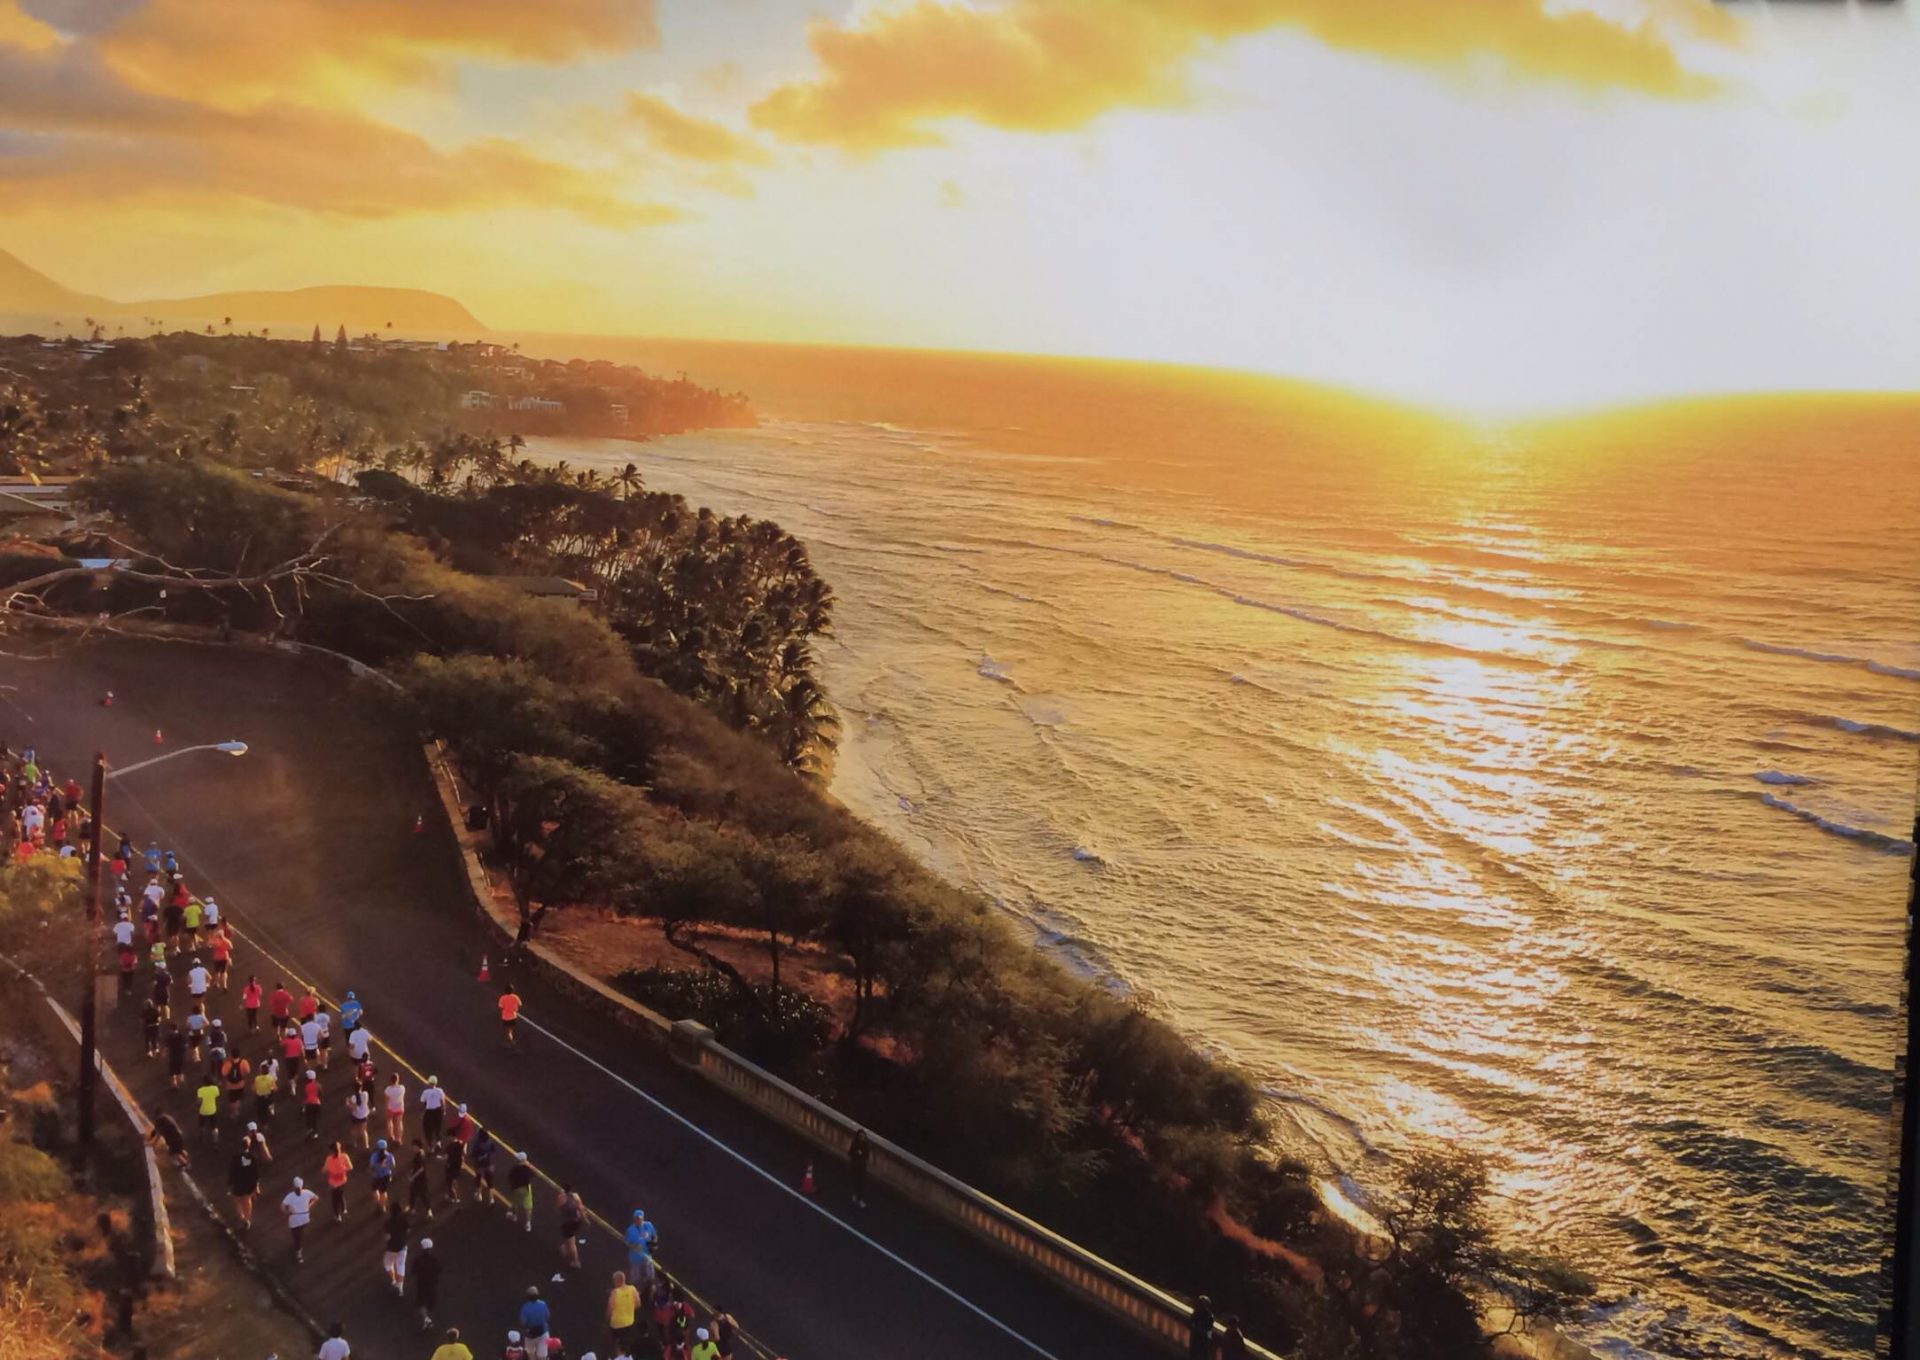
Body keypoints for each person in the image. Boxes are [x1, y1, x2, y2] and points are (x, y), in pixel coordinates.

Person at [228, 1133, 263, 1228]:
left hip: (238, 1183)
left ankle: (241, 1217)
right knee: (247, 1201)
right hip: (248, 1184)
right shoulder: (252, 1158)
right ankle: (247, 1219)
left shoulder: (236, 1157)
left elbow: (232, 1171)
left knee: (237, 1201)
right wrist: (256, 1186)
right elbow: (256, 1174)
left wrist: (230, 1183)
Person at [281, 1177, 319, 1263]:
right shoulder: (307, 1192)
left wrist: (287, 1212)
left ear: (293, 1186)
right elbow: (316, 1198)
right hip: (305, 1218)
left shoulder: (290, 1196)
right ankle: (298, 1249)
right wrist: (309, 1206)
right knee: (300, 1233)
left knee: (297, 1237)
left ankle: (298, 1254)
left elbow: (282, 1206)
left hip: (294, 1220)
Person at [605, 1272, 640, 1353]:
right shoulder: (632, 1289)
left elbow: (610, 1308)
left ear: (618, 1281)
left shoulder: (615, 1293)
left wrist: (607, 1319)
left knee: (617, 1341)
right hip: (629, 1321)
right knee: (626, 1339)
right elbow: (638, 1304)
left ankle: (619, 1354)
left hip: (616, 1324)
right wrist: (629, 1308)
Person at [414, 1236, 442, 1331]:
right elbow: (439, 1270)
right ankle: (429, 1318)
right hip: (433, 1284)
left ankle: (426, 1319)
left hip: (422, 1285)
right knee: (431, 1303)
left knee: (420, 1303)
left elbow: (414, 1271)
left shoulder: (418, 1260)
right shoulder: (435, 1259)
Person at [382, 1200, 410, 1294]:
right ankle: (400, 1287)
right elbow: (408, 1230)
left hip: (392, 1248)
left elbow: (387, 1237)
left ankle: (394, 1280)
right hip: (402, 1246)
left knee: (388, 1265)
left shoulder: (388, 1222)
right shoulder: (404, 1219)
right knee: (401, 1266)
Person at [623, 1211, 657, 1287]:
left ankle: (649, 1292)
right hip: (636, 1258)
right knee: (636, 1280)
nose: (638, 1220)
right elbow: (626, 1242)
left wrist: (653, 1244)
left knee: (650, 1277)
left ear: (643, 1218)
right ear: (634, 1219)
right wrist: (635, 1246)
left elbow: (654, 1236)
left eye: (640, 1218)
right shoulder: (630, 1230)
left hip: (647, 1257)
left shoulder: (648, 1225)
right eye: (637, 1218)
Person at [556, 1184, 586, 1268]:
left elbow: (558, 1206)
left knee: (571, 1241)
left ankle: (575, 1261)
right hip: (577, 1221)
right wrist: (586, 1220)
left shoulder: (562, 1199)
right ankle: (566, 1248)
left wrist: (561, 1195)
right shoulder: (576, 1196)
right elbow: (581, 1208)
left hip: (569, 1222)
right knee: (569, 1237)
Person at [323, 1140, 353, 1222]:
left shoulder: (329, 1159)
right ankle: (344, 1208)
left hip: (333, 1182)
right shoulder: (345, 1156)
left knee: (334, 1199)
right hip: (342, 1180)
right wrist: (343, 1169)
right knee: (341, 1194)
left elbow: (324, 1169)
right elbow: (350, 1167)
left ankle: (337, 1215)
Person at [519, 1287, 551, 1354]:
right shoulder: (543, 1304)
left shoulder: (525, 1308)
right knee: (542, 1356)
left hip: (530, 1335)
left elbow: (523, 1322)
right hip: (543, 1332)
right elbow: (547, 1316)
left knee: (530, 1354)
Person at [508, 1150, 534, 1231]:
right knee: (528, 1206)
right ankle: (528, 1223)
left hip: (517, 1188)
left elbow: (510, 1177)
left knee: (515, 1203)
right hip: (526, 1188)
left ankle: (514, 1216)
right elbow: (532, 1175)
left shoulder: (515, 1168)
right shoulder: (527, 1169)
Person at [408, 1137, 434, 1217]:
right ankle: (412, 1207)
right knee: (414, 1193)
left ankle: (428, 1211)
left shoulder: (419, 1156)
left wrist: (412, 1177)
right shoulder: (421, 1153)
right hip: (421, 1178)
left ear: (417, 1147)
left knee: (421, 1195)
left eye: (414, 1146)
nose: (412, 1148)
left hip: (419, 1180)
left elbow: (420, 1169)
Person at [471, 1126, 497, 1204]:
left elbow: (473, 1154)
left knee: (478, 1178)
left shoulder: (477, 1143)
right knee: (490, 1182)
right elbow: (493, 1149)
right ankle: (491, 1199)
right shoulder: (489, 1141)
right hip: (488, 1163)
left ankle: (479, 1195)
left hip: (479, 1164)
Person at [369, 1138, 397, 1210]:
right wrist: (386, 1167)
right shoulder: (390, 1155)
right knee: (383, 1191)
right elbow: (393, 1165)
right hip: (386, 1176)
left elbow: (372, 1167)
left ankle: (377, 1202)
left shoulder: (374, 1156)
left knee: (375, 1189)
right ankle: (383, 1206)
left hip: (376, 1176)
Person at [848, 1128, 872, 1208]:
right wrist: (856, 1153)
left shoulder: (866, 1146)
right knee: (854, 1182)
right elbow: (850, 1153)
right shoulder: (855, 1143)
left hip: (861, 1168)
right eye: (860, 1136)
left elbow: (866, 1156)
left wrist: (860, 1154)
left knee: (861, 1184)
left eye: (863, 1136)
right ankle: (854, 1196)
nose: (861, 1137)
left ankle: (860, 1199)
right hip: (854, 1166)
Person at [1187, 1295, 1215, 1360]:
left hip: (1203, 1340)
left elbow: (1208, 1328)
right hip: (1195, 1338)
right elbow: (1190, 1323)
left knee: (1203, 1355)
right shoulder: (1196, 1313)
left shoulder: (1209, 1316)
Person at [420, 1075, 447, 1144]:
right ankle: (438, 1143)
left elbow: (422, 1101)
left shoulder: (425, 1092)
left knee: (428, 1128)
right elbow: (443, 1101)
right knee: (438, 1127)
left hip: (429, 1112)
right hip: (438, 1111)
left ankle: (430, 1145)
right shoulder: (440, 1090)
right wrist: (444, 1111)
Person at [443, 1129, 466, 1203]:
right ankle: (452, 1196)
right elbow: (463, 1155)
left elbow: (445, 1157)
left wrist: (440, 1158)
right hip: (457, 1167)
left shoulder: (449, 1147)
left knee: (450, 1183)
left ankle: (455, 1198)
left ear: (451, 1136)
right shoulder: (460, 1144)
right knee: (454, 1182)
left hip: (450, 1167)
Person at [195, 1074, 221, 1140]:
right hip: (212, 1110)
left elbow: (198, 1102)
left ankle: (201, 1135)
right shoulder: (215, 1089)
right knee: (214, 1127)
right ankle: (215, 1141)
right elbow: (217, 1096)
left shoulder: (200, 1090)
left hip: (203, 1111)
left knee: (202, 1125)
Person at [253, 1057, 279, 1122]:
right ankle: (271, 1110)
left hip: (260, 1097)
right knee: (271, 1101)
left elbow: (254, 1089)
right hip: (269, 1095)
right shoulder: (270, 1079)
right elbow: (275, 1088)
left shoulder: (257, 1078)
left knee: (262, 1110)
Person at [383, 1072, 407, 1143]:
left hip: (390, 1108)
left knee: (389, 1121)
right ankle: (399, 1138)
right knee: (399, 1123)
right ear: (398, 1080)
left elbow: (386, 1099)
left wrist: (386, 1107)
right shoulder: (402, 1088)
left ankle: (391, 1135)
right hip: (400, 1108)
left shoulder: (388, 1089)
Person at [302, 1069, 324, 1140]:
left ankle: (309, 1129)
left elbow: (305, 1096)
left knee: (308, 1118)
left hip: (309, 1104)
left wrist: (303, 1105)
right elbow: (321, 1094)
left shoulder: (306, 1086)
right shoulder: (318, 1085)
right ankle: (315, 1132)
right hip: (317, 1103)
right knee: (315, 1119)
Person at [164, 1020, 187, 1088]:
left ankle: (174, 1084)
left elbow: (166, 1047)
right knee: (180, 1069)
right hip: (180, 1055)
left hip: (173, 1055)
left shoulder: (169, 1037)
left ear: (171, 1029)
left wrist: (164, 1053)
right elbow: (185, 1045)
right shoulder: (181, 1036)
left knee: (172, 1071)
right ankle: (181, 1081)